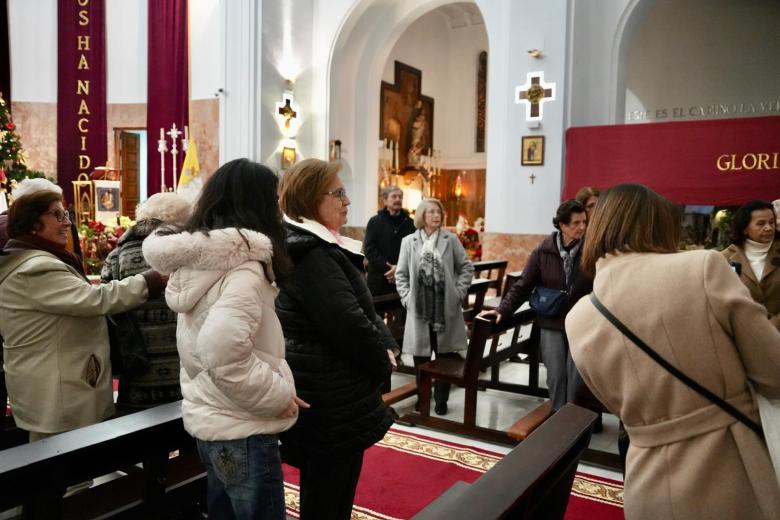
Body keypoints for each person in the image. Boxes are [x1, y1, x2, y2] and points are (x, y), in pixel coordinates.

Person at [566, 184, 780, 520]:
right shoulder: (703, 268)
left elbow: (610, 401)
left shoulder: (578, 316)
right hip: (728, 466)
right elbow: (774, 373)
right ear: (659, 225)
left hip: (646, 478)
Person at [144, 159, 303, 520]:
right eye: (273, 200)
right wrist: (278, 394)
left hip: (213, 421)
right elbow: (221, 350)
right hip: (242, 426)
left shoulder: (203, 263)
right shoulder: (244, 270)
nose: (279, 210)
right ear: (257, 206)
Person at [276, 158, 398, 520]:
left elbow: (363, 308)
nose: (347, 201)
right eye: (338, 193)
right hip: (328, 396)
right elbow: (348, 323)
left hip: (333, 390)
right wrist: (380, 361)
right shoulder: (312, 253)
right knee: (328, 497)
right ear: (311, 198)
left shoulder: (321, 247)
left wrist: (387, 341)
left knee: (334, 491)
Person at [0, 189, 164, 442]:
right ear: (33, 223)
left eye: (65, 214)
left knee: (61, 463)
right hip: (57, 390)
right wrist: (152, 280)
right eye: (57, 215)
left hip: (52, 382)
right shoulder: (36, 267)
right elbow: (96, 300)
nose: (67, 222)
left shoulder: (35, 259)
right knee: (62, 465)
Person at [481, 200, 596, 420]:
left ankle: (573, 420)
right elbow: (523, 285)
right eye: (576, 223)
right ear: (562, 225)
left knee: (577, 375)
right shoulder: (543, 251)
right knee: (556, 375)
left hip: (582, 323)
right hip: (551, 321)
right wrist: (502, 311)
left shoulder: (591, 250)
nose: (582, 227)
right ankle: (557, 416)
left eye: (584, 222)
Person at [101, 192, 192, 411]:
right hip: (183, 365)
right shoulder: (184, 252)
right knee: (184, 433)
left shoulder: (118, 254)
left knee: (139, 439)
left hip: (137, 363)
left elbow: (107, 305)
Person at [395, 198, 474, 415]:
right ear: (422, 216)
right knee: (421, 357)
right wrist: (407, 298)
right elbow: (401, 275)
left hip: (445, 309)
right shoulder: (408, 241)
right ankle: (422, 398)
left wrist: (457, 293)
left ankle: (441, 400)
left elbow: (466, 268)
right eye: (431, 212)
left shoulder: (451, 239)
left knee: (444, 355)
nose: (436, 216)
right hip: (419, 310)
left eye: (438, 212)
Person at [721, 200, 779, 330]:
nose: (769, 228)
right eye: (761, 223)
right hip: (743, 334)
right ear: (745, 228)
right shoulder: (724, 258)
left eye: (771, 222)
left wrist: (775, 324)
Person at [364, 185, 415, 296]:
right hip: (379, 278)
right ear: (385, 200)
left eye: (400, 197)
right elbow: (369, 249)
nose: (398, 199)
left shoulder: (411, 224)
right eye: (394, 196)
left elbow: (414, 250)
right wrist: (390, 269)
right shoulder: (374, 222)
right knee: (377, 312)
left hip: (403, 279)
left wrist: (399, 269)